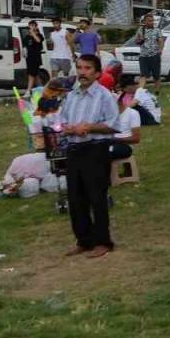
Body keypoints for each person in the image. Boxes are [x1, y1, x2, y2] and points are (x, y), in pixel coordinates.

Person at [56, 54, 118, 259]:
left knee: (96, 197)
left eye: (87, 68)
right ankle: (84, 240)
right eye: (80, 68)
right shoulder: (71, 95)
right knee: (75, 198)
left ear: (97, 73)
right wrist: (65, 128)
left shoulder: (104, 96)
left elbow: (113, 125)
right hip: (74, 150)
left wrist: (90, 127)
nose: (82, 72)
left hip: (95, 150)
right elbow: (60, 121)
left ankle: (103, 242)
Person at [134, 14, 162, 93]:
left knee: (156, 75)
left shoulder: (157, 30)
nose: (152, 22)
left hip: (154, 55)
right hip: (143, 56)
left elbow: (161, 40)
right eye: (150, 21)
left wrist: (160, 50)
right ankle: (140, 93)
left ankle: (157, 92)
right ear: (145, 21)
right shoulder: (140, 30)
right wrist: (140, 40)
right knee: (143, 75)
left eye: (152, 20)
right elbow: (136, 41)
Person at [109, 91, 141, 160]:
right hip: (109, 143)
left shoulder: (132, 113)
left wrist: (115, 140)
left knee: (106, 153)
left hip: (125, 146)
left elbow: (136, 139)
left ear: (119, 102)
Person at [22, 20, 46, 93]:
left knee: (31, 75)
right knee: (35, 75)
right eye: (30, 25)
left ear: (36, 26)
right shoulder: (27, 37)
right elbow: (25, 46)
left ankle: (28, 91)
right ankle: (42, 90)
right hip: (29, 58)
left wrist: (33, 33)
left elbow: (38, 41)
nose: (31, 27)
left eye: (33, 25)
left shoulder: (39, 35)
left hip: (36, 58)